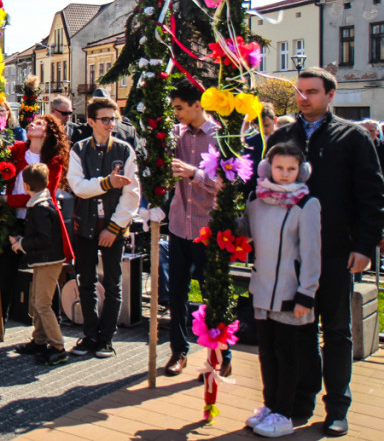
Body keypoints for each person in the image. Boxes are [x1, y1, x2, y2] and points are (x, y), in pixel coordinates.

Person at [265, 68, 384, 436]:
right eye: (299, 92)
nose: (303, 98)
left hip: (335, 250)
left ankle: (337, 407)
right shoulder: (285, 135)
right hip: (292, 255)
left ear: (330, 95)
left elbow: (372, 194)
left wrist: (364, 246)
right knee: (299, 330)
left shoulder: (351, 138)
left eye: (312, 92)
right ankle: (302, 399)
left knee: (336, 331)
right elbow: (266, 187)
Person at [240, 142, 321, 438]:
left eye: (291, 169)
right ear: (267, 168)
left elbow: (312, 254)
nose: (285, 174)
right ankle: (270, 405)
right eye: (279, 168)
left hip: (290, 293)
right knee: (266, 352)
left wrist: (306, 294)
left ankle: (284, 412)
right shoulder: (256, 200)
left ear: (302, 171)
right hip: (262, 289)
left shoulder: (306, 204)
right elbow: (244, 231)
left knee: (288, 355)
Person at [66, 95, 140, 359]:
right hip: (84, 225)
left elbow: (131, 194)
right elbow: (78, 186)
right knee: (85, 281)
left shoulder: (124, 150)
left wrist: (114, 227)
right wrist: (107, 183)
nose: (111, 124)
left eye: (113, 118)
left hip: (112, 227)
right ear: (91, 121)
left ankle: (107, 338)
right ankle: (90, 334)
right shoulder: (79, 149)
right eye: (105, 119)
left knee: (113, 283)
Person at [0, 114, 73, 344]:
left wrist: (6, 200)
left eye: (39, 123)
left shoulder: (54, 160)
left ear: (48, 132)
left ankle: (52, 330)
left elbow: (42, 194)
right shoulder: (18, 149)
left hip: (39, 224)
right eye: (32, 122)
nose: (32, 124)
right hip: (14, 221)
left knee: (44, 278)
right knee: (5, 273)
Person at [164, 83, 223, 377]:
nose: (176, 114)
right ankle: (179, 350)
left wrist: (194, 173)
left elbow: (226, 185)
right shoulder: (177, 134)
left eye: (179, 108)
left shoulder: (220, 136)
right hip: (178, 224)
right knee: (176, 292)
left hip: (207, 228)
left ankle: (220, 355)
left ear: (197, 105)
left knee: (213, 294)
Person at [10, 162, 68, 366]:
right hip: (45, 260)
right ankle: (40, 340)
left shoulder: (39, 207)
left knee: (42, 304)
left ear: (26, 186)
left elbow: (44, 238)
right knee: (36, 301)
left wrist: (21, 243)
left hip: (48, 261)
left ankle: (58, 346)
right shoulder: (41, 202)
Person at [68, 88, 140, 150]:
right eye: (104, 119)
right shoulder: (80, 133)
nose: (110, 124)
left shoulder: (128, 131)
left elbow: (137, 158)